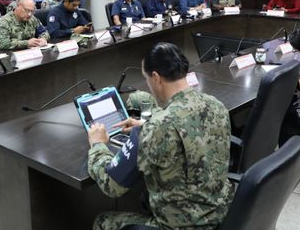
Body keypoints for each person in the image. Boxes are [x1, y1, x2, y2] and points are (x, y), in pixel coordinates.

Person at [87, 42, 232, 230]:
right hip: (221, 213)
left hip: (183, 225)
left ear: (156, 78)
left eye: (146, 79)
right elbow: (187, 127)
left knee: (102, 221)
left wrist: (98, 145)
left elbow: (111, 186)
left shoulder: (158, 128)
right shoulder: (216, 105)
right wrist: (146, 125)